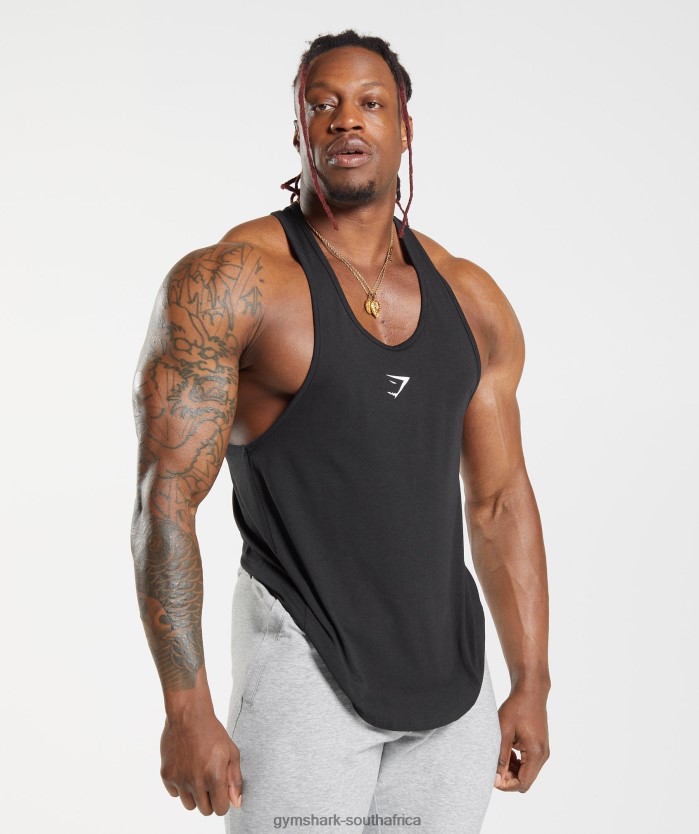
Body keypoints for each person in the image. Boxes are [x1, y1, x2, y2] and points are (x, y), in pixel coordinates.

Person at [131, 29, 551, 834]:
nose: (345, 120)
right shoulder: (232, 283)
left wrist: (529, 680)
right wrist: (186, 708)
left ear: (404, 128)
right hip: (304, 667)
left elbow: (499, 499)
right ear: (298, 130)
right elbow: (165, 500)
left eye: (370, 103)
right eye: (321, 104)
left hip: (454, 681)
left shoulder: (469, 299)